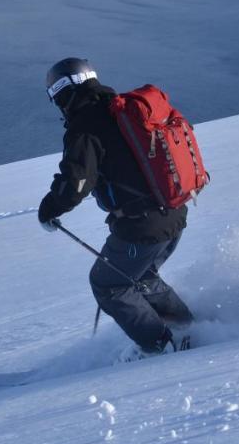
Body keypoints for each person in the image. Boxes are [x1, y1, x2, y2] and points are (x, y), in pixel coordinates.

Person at [37, 58, 195, 355]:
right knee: (141, 276)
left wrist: (49, 208)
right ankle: (188, 327)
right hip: (175, 210)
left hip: (143, 225)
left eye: (55, 95)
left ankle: (161, 346)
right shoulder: (121, 109)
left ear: (62, 91)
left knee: (108, 284)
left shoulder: (86, 124)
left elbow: (76, 183)